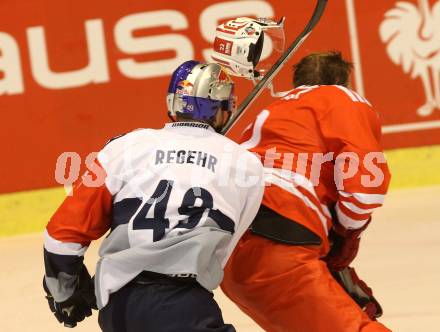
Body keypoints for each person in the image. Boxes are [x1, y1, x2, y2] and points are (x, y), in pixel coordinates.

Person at [42, 60, 264, 331]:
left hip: (118, 309)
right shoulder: (246, 165)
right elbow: (226, 251)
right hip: (183, 306)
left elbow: (60, 237)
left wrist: (64, 290)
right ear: (222, 107)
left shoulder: (124, 147)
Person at [219, 52, 392, 332]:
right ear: (343, 82)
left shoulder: (272, 112)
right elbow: (365, 189)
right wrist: (347, 234)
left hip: (231, 260)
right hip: (280, 245)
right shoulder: (340, 97)